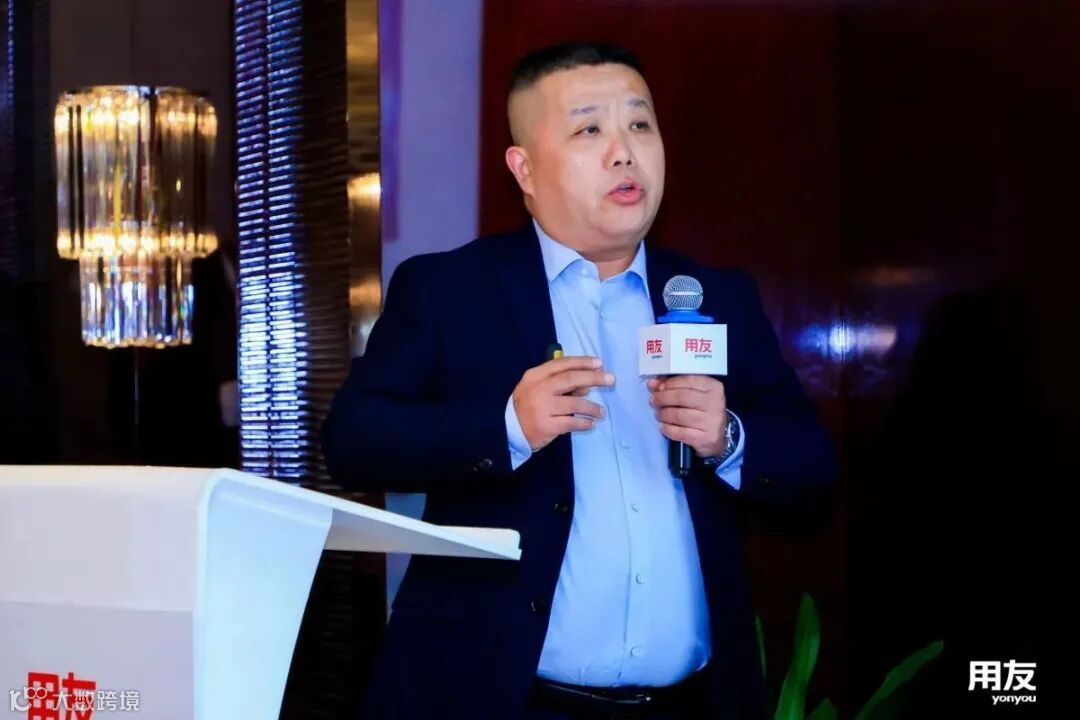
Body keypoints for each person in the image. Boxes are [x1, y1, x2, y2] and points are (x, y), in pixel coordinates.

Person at [323, 41, 835, 720]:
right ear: (525, 169)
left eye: (640, 124)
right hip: (506, 702)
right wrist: (506, 427)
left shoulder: (716, 296)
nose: (624, 152)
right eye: (589, 129)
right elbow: (354, 441)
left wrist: (728, 439)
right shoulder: (449, 290)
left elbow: (813, 468)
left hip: (690, 705)